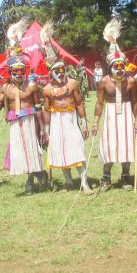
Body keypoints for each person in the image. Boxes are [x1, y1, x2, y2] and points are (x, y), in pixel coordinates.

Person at [0, 48, 47, 195]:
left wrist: (42, 128)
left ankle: (30, 181)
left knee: (30, 150)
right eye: (15, 71)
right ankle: (40, 174)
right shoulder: (5, 88)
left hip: (29, 121)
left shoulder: (31, 86)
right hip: (14, 123)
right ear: (10, 72)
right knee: (20, 152)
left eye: (22, 70)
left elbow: (38, 107)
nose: (19, 74)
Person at [93, 27, 137, 191]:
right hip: (110, 115)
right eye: (116, 66)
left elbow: (135, 102)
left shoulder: (131, 81)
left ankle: (126, 177)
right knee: (109, 146)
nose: (119, 68)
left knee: (127, 145)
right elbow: (99, 103)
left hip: (127, 115)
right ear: (110, 66)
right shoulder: (104, 81)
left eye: (121, 65)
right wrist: (96, 122)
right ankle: (106, 178)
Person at [43, 58, 92, 194]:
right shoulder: (47, 89)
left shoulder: (72, 84)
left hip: (71, 120)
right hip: (56, 122)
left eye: (62, 70)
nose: (60, 73)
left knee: (77, 149)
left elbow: (80, 103)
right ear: (51, 73)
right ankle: (69, 182)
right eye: (57, 71)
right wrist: (46, 131)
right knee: (61, 151)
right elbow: (46, 111)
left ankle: (85, 183)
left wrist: (83, 124)